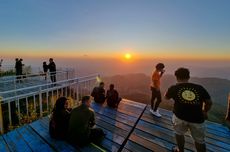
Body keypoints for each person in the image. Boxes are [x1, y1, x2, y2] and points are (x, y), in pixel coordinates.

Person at [165, 68, 212, 152]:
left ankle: (180, 150)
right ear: (188, 76)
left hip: (179, 117)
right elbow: (209, 102)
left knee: (179, 134)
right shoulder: (199, 88)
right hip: (197, 119)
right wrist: (205, 111)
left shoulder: (174, 88)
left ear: (176, 77)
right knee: (199, 140)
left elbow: (166, 97)